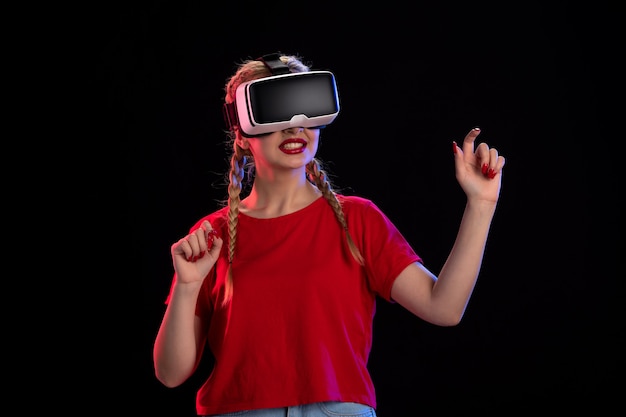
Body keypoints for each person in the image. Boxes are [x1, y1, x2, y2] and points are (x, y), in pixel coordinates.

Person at [153, 52, 506, 417]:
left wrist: (481, 205)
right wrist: (187, 286)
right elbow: (170, 373)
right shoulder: (211, 237)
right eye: (275, 111)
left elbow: (444, 308)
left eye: (306, 109)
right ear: (241, 134)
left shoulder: (357, 220)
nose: (295, 127)